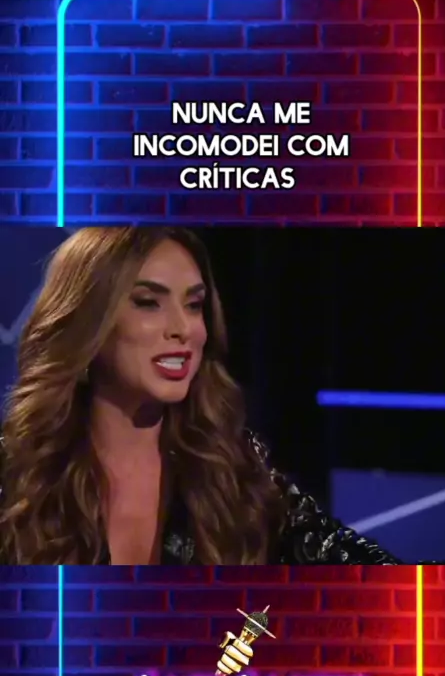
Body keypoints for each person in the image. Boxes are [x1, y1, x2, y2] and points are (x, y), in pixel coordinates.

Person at [0, 227, 400, 566]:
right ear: (88, 324)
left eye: (194, 305)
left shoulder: (233, 467)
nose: (185, 328)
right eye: (148, 303)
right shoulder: (17, 473)